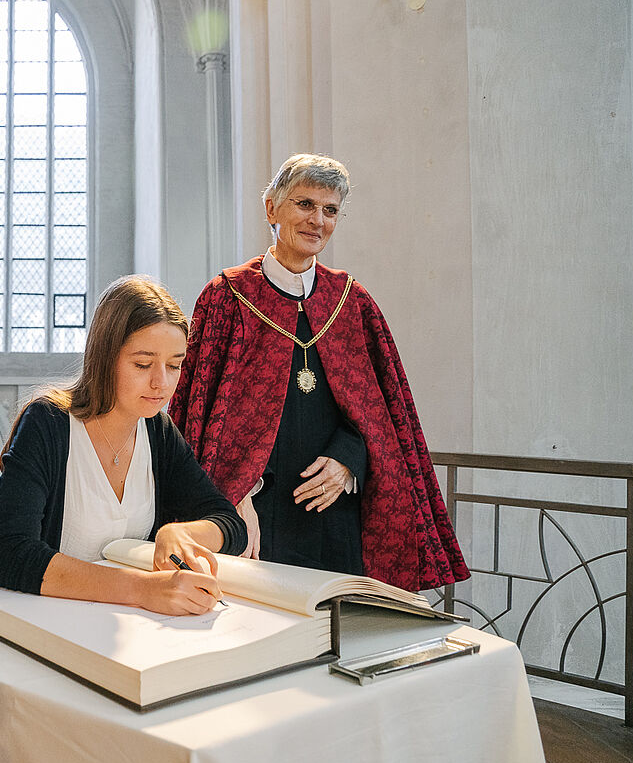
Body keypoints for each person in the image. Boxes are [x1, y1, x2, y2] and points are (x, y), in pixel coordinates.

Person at [168, 154, 468, 591]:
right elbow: (201, 414)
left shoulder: (351, 301)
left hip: (335, 514)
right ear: (271, 208)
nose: (317, 221)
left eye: (330, 210)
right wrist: (232, 501)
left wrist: (349, 460)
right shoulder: (228, 296)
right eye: (304, 204)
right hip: (257, 513)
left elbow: (380, 414)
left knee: (336, 630)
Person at [0, 275, 246, 615]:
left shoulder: (157, 431)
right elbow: (6, 553)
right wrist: (142, 590)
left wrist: (182, 532)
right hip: (37, 620)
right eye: (142, 364)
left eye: (174, 365)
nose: (161, 383)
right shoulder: (47, 422)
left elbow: (229, 522)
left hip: (116, 623)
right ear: (105, 356)